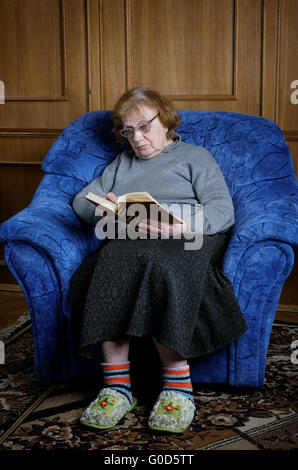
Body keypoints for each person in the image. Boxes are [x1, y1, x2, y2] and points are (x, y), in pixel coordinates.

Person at [70, 87, 247, 433]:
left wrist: (179, 225)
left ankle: (178, 387)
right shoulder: (122, 163)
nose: (137, 138)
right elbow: (82, 201)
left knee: (167, 268)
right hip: (137, 236)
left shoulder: (196, 157)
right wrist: (109, 211)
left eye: (144, 126)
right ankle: (116, 387)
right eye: (127, 130)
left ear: (165, 122)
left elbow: (222, 211)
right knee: (106, 265)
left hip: (189, 235)